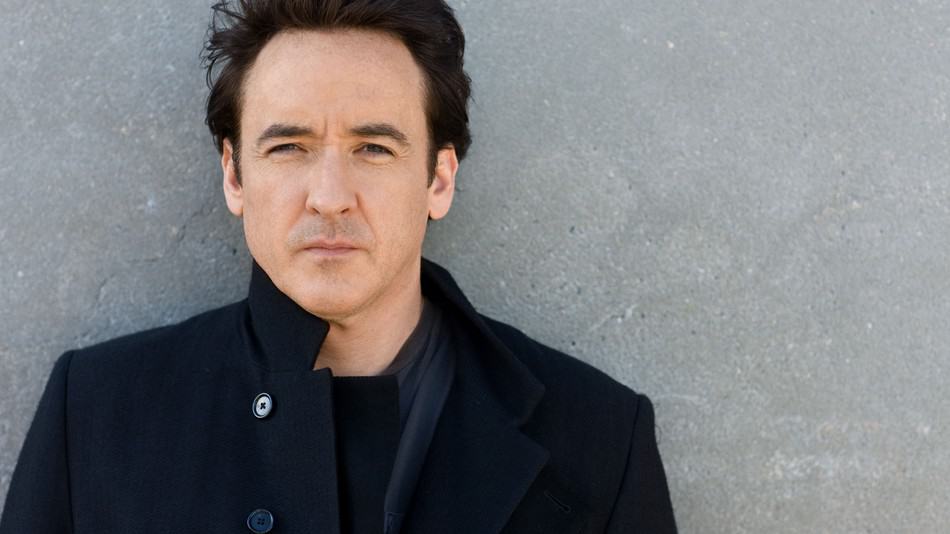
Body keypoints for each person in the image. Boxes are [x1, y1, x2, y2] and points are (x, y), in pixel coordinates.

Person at [0, 1, 677, 532]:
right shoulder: (95, 414)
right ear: (234, 175)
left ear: (439, 179)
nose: (329, 196)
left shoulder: (600, 437)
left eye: (374, 149)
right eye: (288, 147)